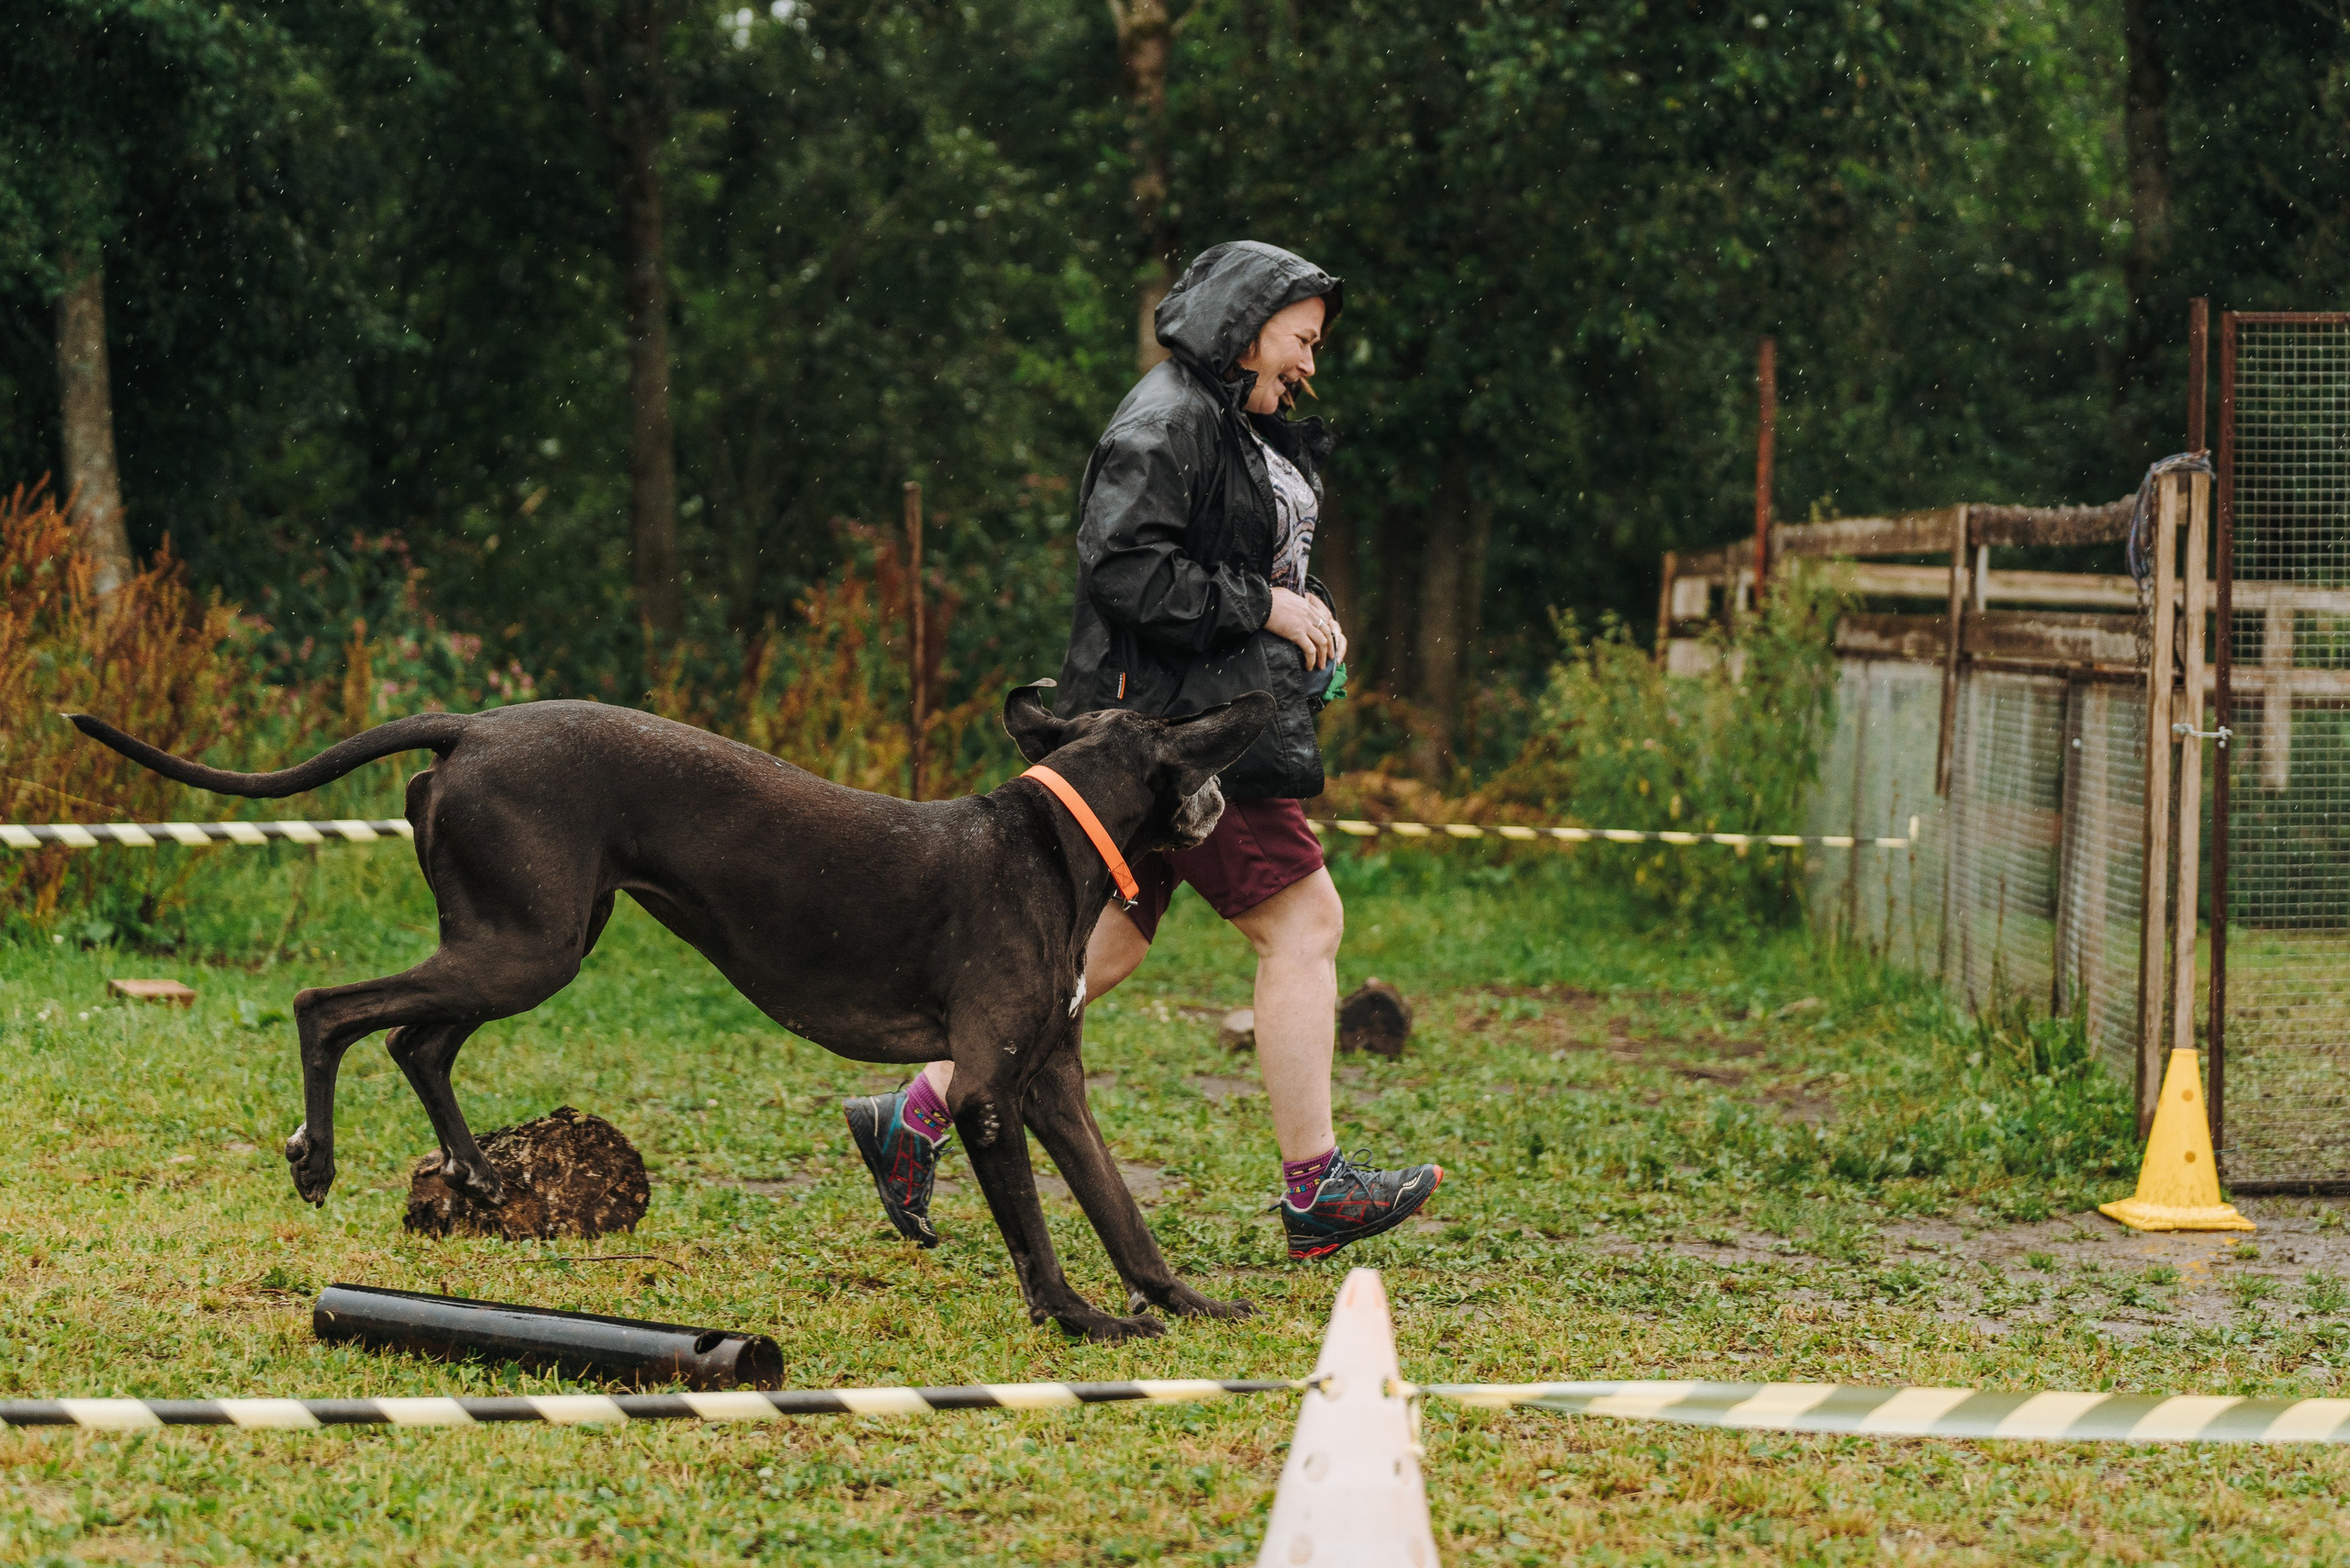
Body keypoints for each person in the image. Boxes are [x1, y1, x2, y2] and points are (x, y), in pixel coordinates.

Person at [844, 241, 1442, 1262]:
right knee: (1303, 923)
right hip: (1176, 736)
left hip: (1185, 722)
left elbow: (1245, 560)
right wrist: (1265, 608)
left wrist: (1309, 622)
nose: (1308, 363)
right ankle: (1317, 1189)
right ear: (1247, 324)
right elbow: (1125, 574)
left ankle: (916, 1112)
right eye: (1300, 340)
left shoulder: (1229, 423)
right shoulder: (1163, 422)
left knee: (1098, 952)